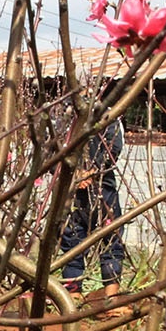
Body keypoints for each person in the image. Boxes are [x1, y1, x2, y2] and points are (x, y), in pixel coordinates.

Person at [59, 104, 127, 295]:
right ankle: (73, 294)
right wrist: (75, 175)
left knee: (111, 238)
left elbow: (113, 148)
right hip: (72, 191)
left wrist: (93, 171)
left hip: (102, 187)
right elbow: (51, 151)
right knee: (72, 240)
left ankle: (111, 296)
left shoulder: (107, 117)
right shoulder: (63, 120)